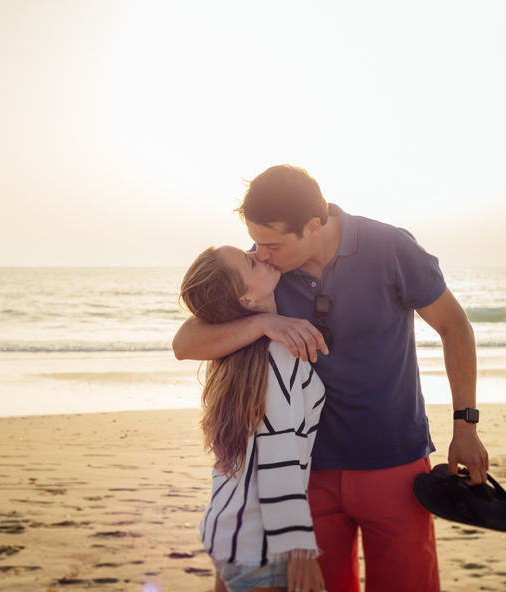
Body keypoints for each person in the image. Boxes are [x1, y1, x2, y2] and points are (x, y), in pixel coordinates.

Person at [174, 165, 489, 592]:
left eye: (271, 244)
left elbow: (456, 328)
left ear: (313, 226)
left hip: (393, 460)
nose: (261, 253)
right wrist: (264, 325)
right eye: (257, 243)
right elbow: (186, 341)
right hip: (308, 476)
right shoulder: (265, 267)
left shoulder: (391, 247)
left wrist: (465, 425)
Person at [180, 245, 328, 592]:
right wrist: (299, 550)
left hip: (226, 534)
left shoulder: (233, 353)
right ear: (246, 301)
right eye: (249, 262)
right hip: (264, 550)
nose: (259, 255)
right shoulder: (278, 352)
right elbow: (280, 454)